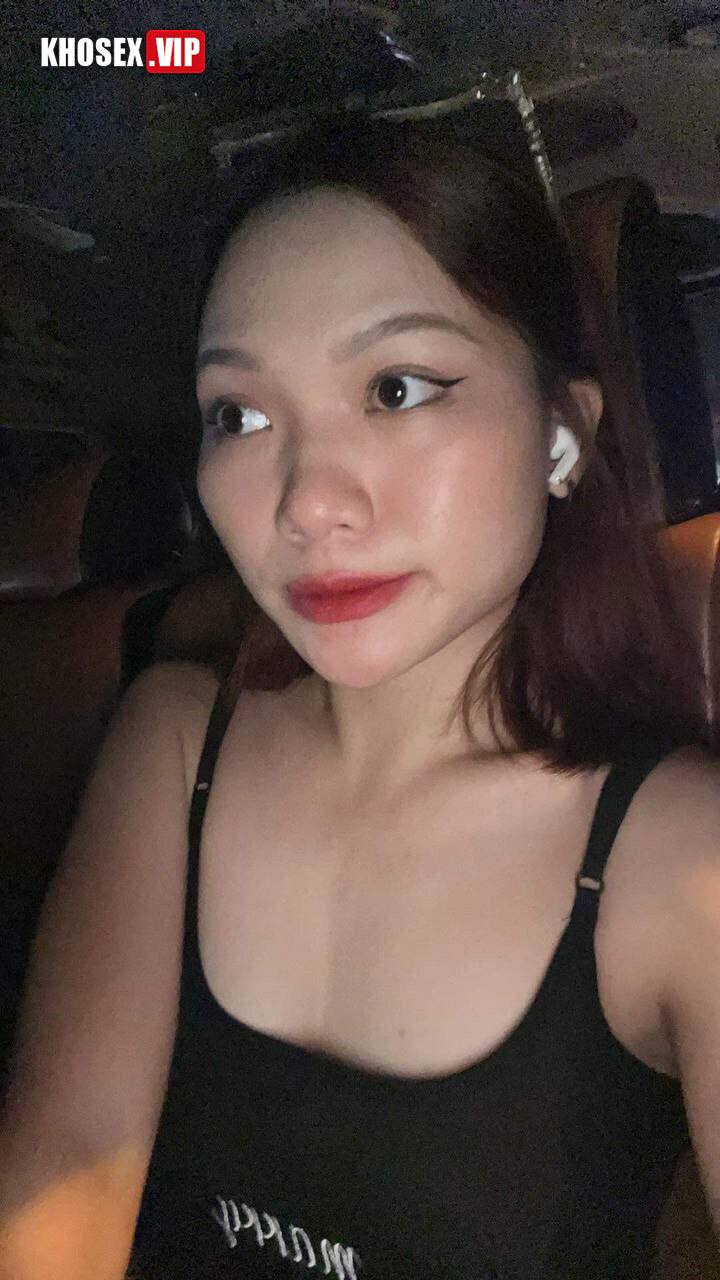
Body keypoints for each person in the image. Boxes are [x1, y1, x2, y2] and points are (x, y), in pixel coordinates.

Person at [1, 107, 719, 1280]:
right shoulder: (172, 743)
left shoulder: (681, 859)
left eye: (396, 387)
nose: (304, 500)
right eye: (239, 414)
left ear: (561, 433)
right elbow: (66, 1174)